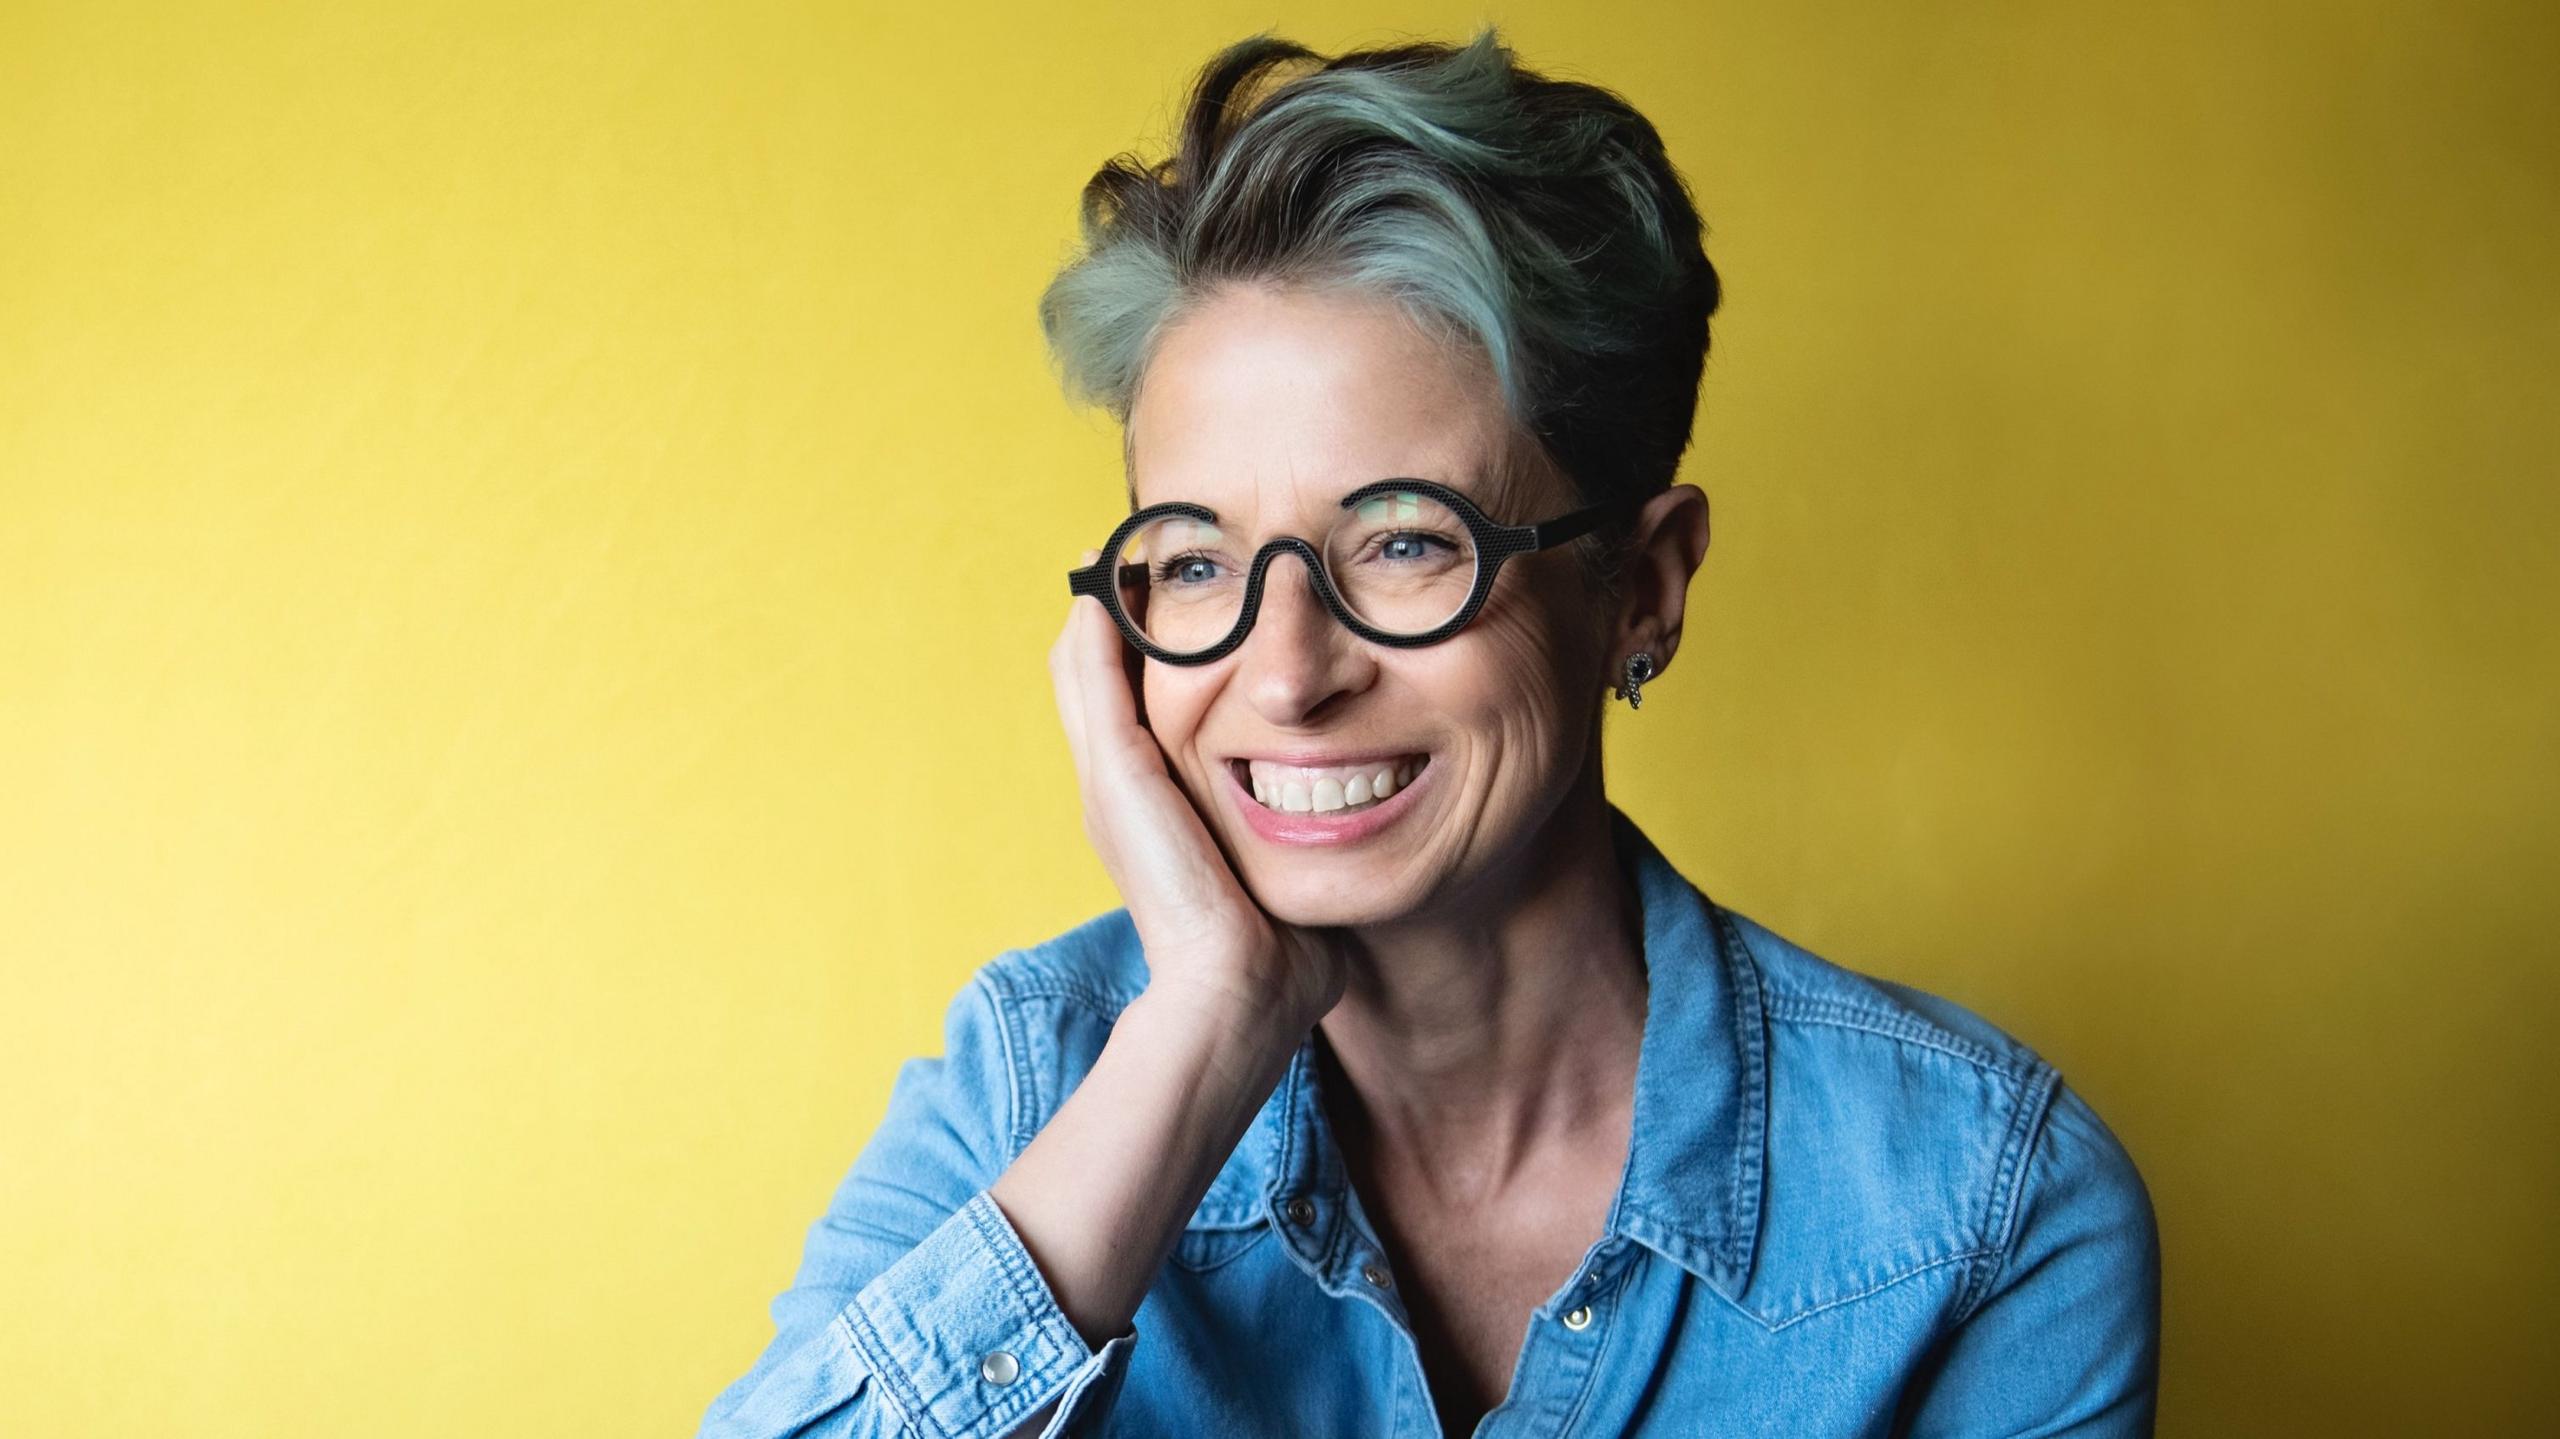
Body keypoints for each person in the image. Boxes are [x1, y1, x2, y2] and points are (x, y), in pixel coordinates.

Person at [699, 26, 2160, 1439]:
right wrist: (1208, 1024)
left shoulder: (1983, 1207)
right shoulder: (1034, 1086)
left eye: (1404, 543)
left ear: (1640, 589)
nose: (1284, 674)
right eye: (1197, 560)